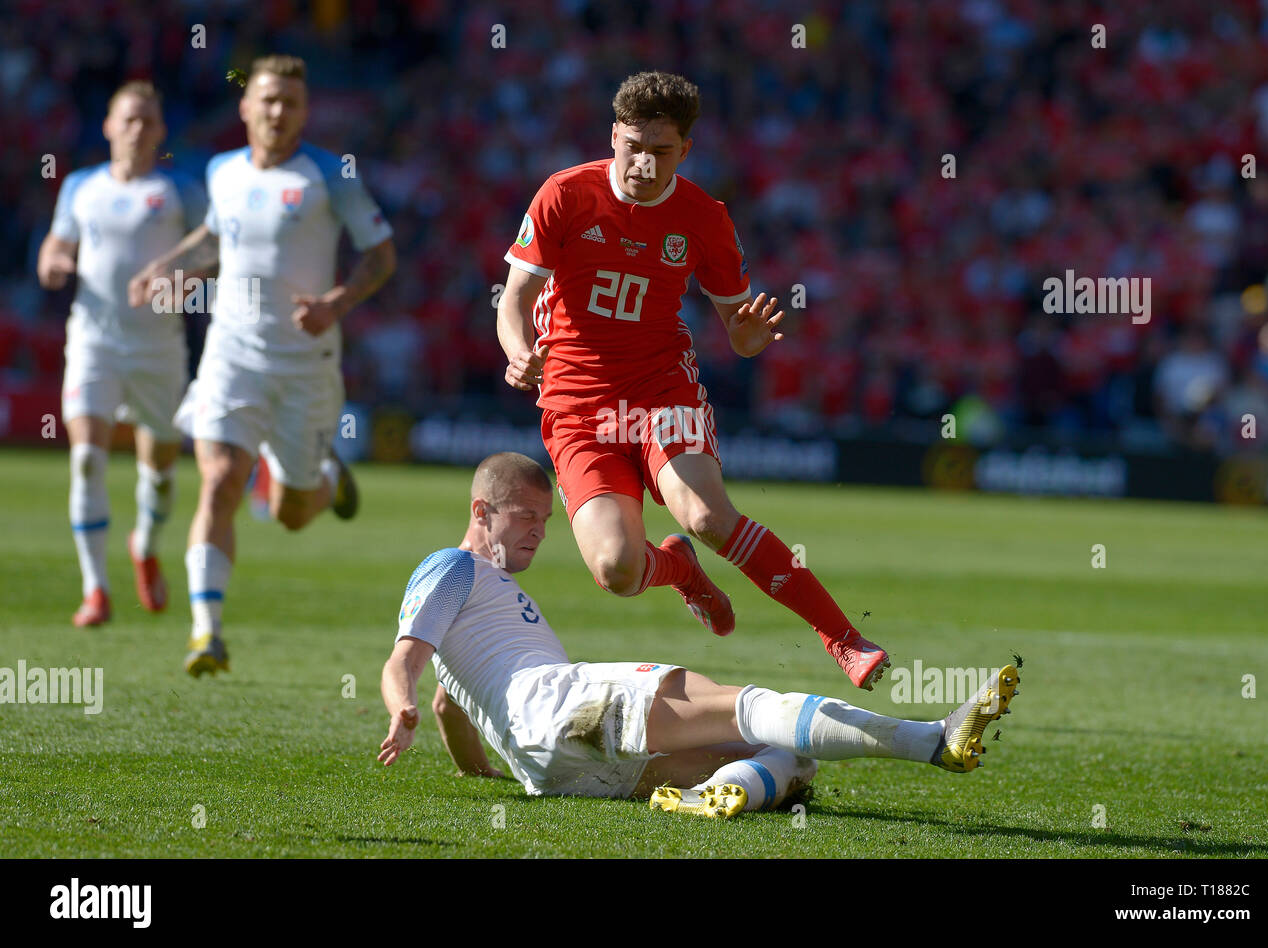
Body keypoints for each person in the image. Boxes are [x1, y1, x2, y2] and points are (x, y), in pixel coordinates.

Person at [497, 70, 889, 690]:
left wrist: (747, 339)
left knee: (706, 515)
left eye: (661, 151)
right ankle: (679, 571)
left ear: (685, 151)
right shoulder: (564, 195)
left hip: (660, 391)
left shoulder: (704, 218)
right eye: (634, 147)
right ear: (614, 137)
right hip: (577, 403)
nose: (644, 164)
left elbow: (738, 324)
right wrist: (519, 353)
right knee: (617, 571)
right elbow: (514, 298)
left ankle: (844, 639)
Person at [377, 453, 1020, 818]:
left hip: (547, 768)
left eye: (546, 519)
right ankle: (931, 741)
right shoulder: (453, 566)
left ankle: (703, 796)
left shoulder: (489, 598)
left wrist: (479, 772)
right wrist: (398, 702)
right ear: (480, 512)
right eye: (524, 518)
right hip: (562, 704)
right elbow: (405, 660)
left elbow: (447, 702)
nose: (540, 533)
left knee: (792, 759)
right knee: (746, 704)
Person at [127, 55, 396, 676]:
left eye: (291, 103)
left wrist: (337, 302)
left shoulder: (333, 176)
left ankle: (323, 481)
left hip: (306, 362)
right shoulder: (222, 171)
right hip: (231, 353)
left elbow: (381, 255)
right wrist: (167, 266)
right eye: (267, 100)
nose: (278, 112)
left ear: (304, 112)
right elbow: (218, 239)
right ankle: (206, 632)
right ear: (246, 107)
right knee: (220, 480)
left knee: (292, 514)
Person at [37, 80, 207, 627]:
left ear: (160, 132)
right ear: (109, 125)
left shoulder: (179, 189)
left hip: (158, 349)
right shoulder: (81, 186)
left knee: (157, 468)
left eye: (148, 121)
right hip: (94, 340)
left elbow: (217, 245)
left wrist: (187, 278)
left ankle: (145, 543)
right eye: (127, 119)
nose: (137, 129)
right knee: (86, 455)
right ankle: (95, 590)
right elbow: (57, 243)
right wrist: (52, 263)